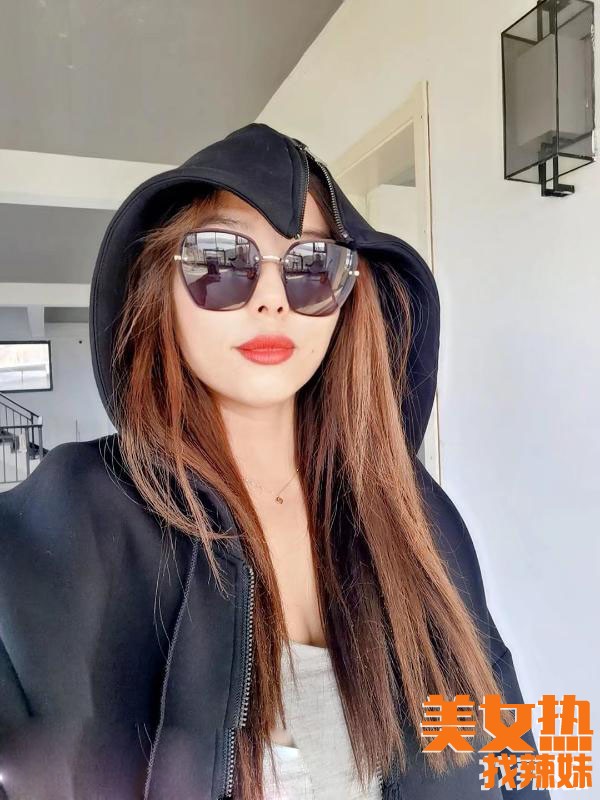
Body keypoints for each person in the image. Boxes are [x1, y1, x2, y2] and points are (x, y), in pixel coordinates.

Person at [0, 123, 548, 800]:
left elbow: (509, 756)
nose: (273, 299)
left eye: (312, 265)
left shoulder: (413, 512)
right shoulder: (66, 519)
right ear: (158, 285)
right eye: (221, 260)